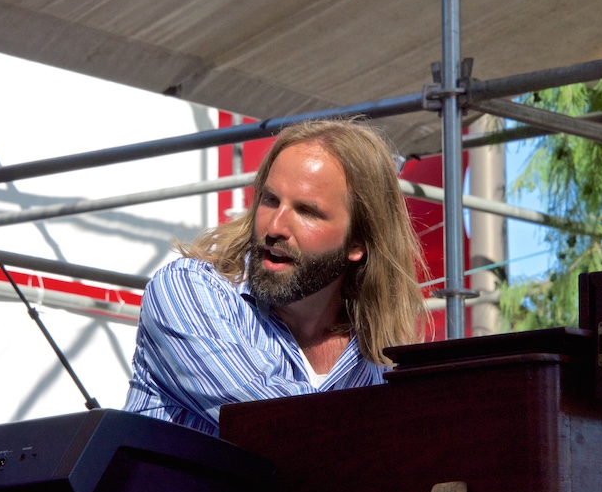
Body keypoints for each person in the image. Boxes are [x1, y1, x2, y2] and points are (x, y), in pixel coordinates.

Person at [123, 118, 429, 436]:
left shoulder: (373, 354)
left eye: (306, 211)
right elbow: (279, 424)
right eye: (270, 200)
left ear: (358, 242)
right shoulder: (188, 290)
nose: (274, 227)